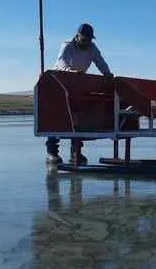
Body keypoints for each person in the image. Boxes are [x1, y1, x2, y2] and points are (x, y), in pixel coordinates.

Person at [46, 23, 112, 165]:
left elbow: (100, 62)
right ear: (77, 36)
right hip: (59, 82)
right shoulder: (68, 46)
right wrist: (71, 71)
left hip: (78, 84)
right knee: (55, 116)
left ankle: (76, 151)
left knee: (77, 117)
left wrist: (107, 74)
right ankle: (52, 152)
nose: (86, 43)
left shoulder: (92, 48)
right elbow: (62, 62)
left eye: (89, 40)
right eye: (84, 40)